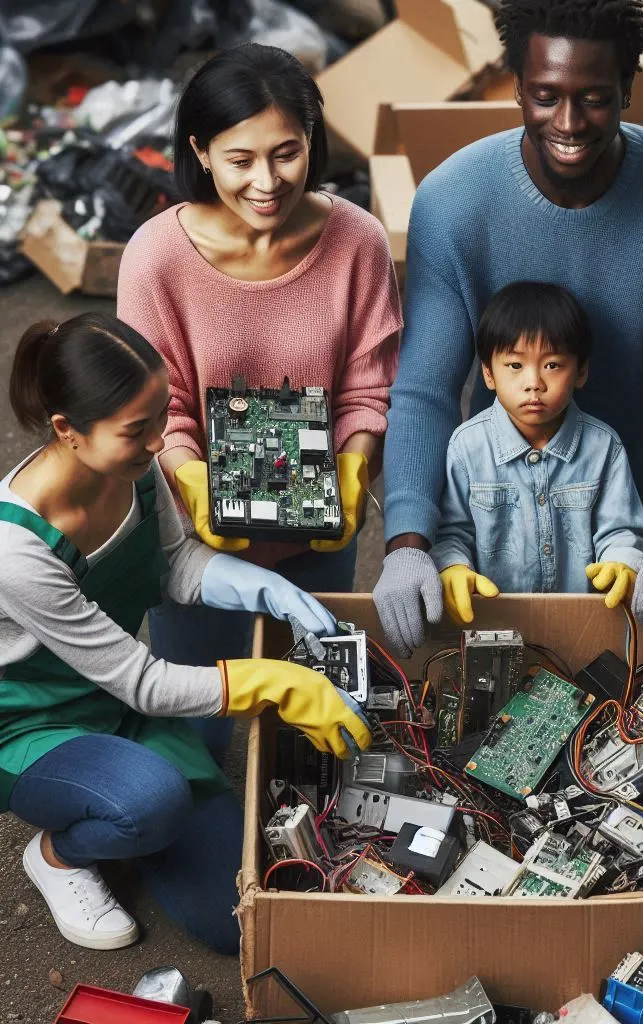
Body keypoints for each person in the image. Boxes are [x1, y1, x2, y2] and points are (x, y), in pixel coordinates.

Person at [0, 313, 370, 954]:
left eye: (159, 420)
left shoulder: (132, 471)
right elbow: (141, 679)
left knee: (238, 921)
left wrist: (270, 588)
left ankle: (122, 809)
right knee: (152, 802)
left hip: (113, 701)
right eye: (137, 431)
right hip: (33, 729)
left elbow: (178, 563)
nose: (158, 446)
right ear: (68, 430)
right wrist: (273, 683)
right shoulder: (18, 550)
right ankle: (59, 853)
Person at [373, 0, 643, 657]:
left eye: (595, 98)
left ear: (628, 88)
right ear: (516, 87)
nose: (568, 123)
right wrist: (406, 542)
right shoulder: (453, 202)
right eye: (545, 96)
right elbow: (424, 390)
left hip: (637, 522)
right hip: (493, 505)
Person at [117, 43, 401, 752]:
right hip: (196, 539)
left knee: (318, 730)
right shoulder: (156, 256)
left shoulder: (357, 241)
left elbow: (369, 387)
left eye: (287, 153)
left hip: (319, 529)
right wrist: (192, 481)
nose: (267, 181)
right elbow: (163, 403)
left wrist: (353, 470)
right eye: (240, 160)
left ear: (314, 142)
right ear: (201, 153)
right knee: (201, 716)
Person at [419, 282, 643, 629]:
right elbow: (452, 533)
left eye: (553, 365)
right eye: (514, 365)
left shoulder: (604, 447)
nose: (533, 383)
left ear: (581, 371)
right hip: (490, 624)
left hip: (582, 623)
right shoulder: (467, 446)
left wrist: (624, 562)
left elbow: (622, 531)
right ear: (488, 373)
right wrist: (453, 565)